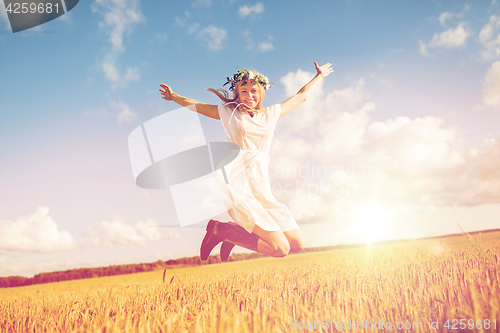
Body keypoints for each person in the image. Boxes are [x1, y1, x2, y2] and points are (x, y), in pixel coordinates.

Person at [159, 62, 333, 261]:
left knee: (297, 243)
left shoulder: (271, 114)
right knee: (279, 248)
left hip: (260, 184)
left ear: (261, 92)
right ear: (237, 94)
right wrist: (174, 97)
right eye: (244, 91)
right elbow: (198, 106)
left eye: (254, 91)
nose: (249, 96)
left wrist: (319, 76)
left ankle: (229, 233)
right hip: (238, 181)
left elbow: (301, 96)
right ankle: (225, 232)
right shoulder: (229, 113)